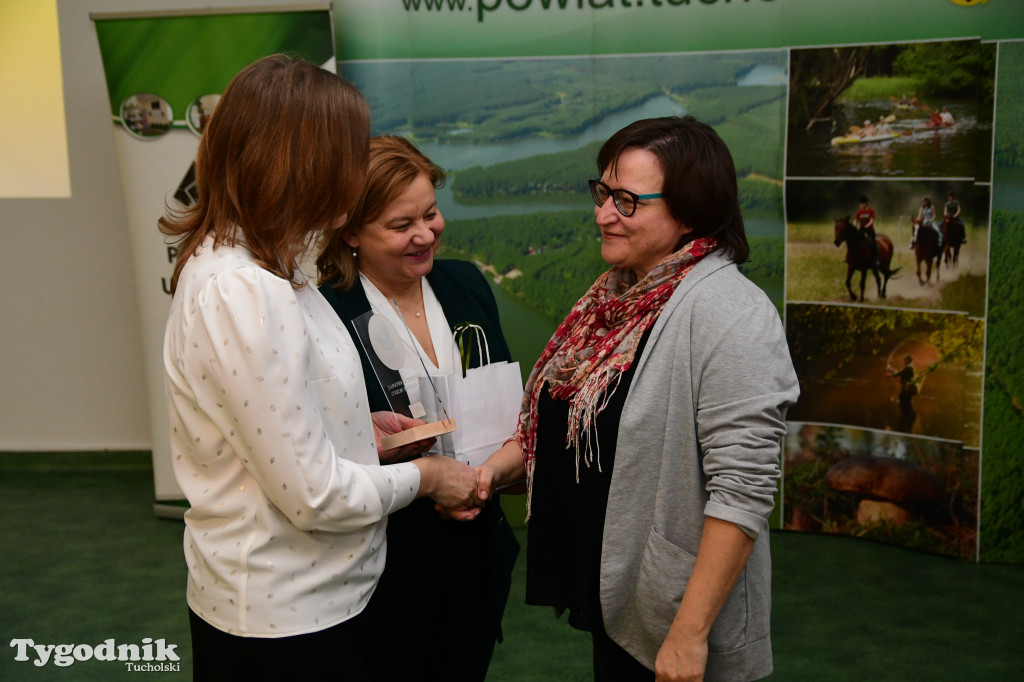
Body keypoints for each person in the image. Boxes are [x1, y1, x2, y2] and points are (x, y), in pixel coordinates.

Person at [160, 55, 478, 681]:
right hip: (290, 622)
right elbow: (312, 496)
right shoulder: (245, 289)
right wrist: (431, 475)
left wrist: (359, 427)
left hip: (324, 597)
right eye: (344, 154)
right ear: (294, 163)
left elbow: (275, 422)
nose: (352, 172)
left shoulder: (270, 262)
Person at [448, 116, 799, 681]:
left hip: (678, 628)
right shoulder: (614, 299)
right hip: (622, 609)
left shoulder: (731, 313)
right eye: (603, 193)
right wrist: (489, 474)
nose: (603, 214)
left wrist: (688, 635)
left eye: (627, 201)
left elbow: (742, 493)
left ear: (690, 210)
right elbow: (567, 427)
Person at [316, 135, 520, 682]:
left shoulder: (467, 285)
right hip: (384, 566)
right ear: (351, 231)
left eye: (431, 213)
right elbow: (316, 449)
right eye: (402, 225)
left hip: (477, 548)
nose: (426, 233)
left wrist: (486, 478)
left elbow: (507, 410)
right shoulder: (324, 312)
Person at [855, 195, 880, 269]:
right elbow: (856, 220)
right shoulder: (859, 212)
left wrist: (866, 226)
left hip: (869, 230)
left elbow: (871, 221)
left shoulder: (871, 211)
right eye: (860, 204)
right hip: (861, 230)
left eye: (863, 203)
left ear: (866, 204)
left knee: (874, 243)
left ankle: (876, 259)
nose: (861, 205)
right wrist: (854, 225)